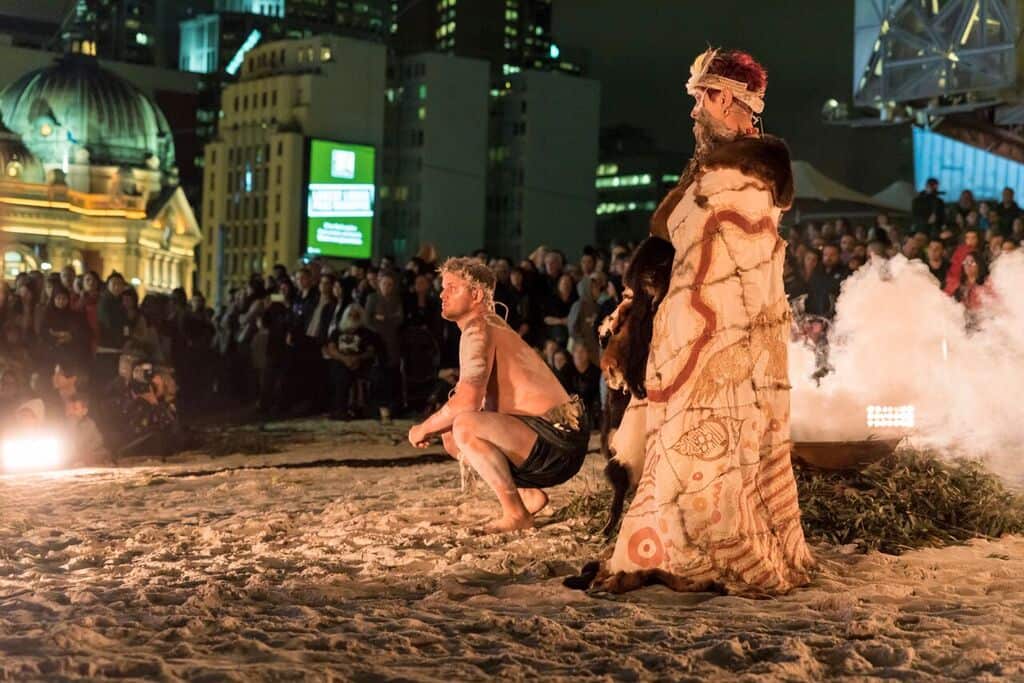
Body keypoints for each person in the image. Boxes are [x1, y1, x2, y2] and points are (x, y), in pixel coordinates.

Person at [587, 47, 813, 594]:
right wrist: (636, 305)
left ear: (729, 100)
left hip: (719, 349)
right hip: (688, 340)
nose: (693, 113)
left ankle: (703, 555)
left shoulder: (745, 176)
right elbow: (673, 251)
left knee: (708, 458)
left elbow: (737, 276)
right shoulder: (711, 172)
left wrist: (690, 327)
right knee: (677, 455)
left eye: (701, 100)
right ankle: (668, 547)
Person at [407, 258, 589, 533]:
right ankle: (527, 495)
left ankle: (516, 513)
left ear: (476, 294)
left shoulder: (478, 327)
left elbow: (466, 402)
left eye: (452, 288)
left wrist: (422, 428)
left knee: (463, 424)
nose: (442, 294)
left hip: (555, 440)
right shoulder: (488, 325)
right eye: (443, 287)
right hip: (553, 440)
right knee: (450, 432)